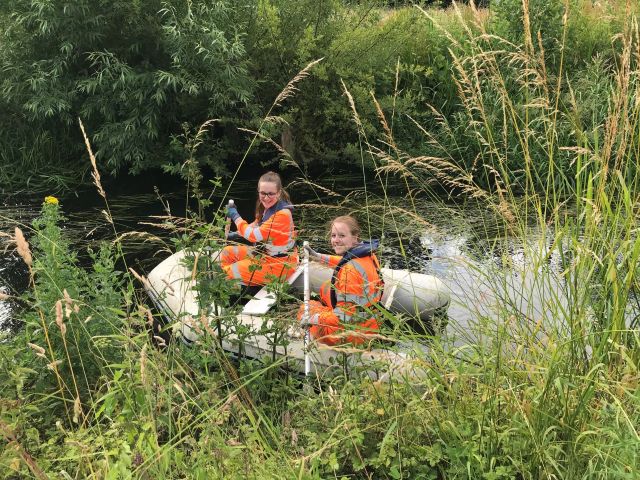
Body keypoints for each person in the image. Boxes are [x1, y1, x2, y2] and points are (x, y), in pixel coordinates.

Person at [298, 215, 384, 346]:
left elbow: (342, 317)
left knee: (307, 307)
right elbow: (342, 261)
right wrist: (317, 256)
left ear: (355, 237)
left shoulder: (349, 272)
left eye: (342, 236)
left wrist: (313, 318)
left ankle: (313, 335)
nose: (336, 240)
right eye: (333, 236)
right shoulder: (368, 255)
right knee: (325, 291)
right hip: (371, 324)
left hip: (351, 334)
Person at [221, 172, 298, 288]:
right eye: (263, 193)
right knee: (226, 252)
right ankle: (238, 284)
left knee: (229, 271)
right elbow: (255, 226)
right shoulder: (266, 207)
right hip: (265, 255)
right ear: (258, 191)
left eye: (271, 194)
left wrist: (235, 216)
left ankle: (238, 287)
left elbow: (253, 235)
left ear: (279, 193)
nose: (266, 198)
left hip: (281, 265)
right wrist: (236, 234)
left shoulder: (282, 215)